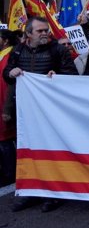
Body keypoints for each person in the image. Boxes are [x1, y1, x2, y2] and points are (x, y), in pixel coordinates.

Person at [3, 17, 78, 213]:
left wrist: (57, 77)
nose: (45, 33)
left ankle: (53, 193)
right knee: (27, 150)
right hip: (25, 111)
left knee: (50, 150)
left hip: (50, 112)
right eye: (40, 31)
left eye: (46, 30)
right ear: (28, 34)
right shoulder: (18, 51)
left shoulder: (58, 50)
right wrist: (11, 73)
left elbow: (71, 76)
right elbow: (7, 74)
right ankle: (30, 191)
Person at [0, 30, 18, 187]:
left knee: (5, 140)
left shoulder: (8, 57)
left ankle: (9, 173)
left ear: (5, 41)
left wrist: (6, 108)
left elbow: (8, 85)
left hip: (5, 105)